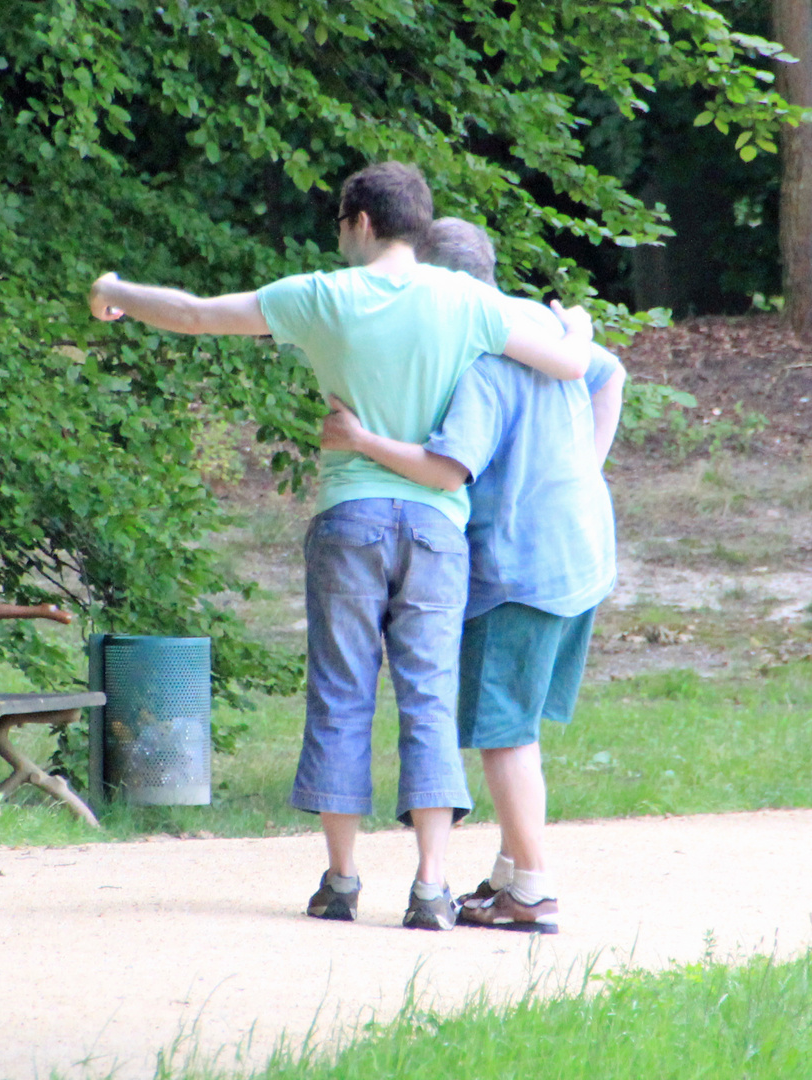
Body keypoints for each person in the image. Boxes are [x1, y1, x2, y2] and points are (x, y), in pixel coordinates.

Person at [87, 162, 594, 930]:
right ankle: (430, 887)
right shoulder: (465, 301)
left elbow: (193, 314)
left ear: (358, 222)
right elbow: (568, 365)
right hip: (435, 528)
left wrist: (114, 290)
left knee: (341, 693)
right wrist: (578, 328)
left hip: (349, 519)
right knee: (428, 699)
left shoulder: (322, 297)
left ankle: (342, 879)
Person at [320, 216, 624, 933]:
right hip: (580, 550)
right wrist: (583, 468)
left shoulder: (477, 359)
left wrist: (360, 440)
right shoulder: (538, 326)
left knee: (502, 735)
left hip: (516, 566)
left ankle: (533, 892)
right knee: (517, 723)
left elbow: (447, 467)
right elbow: (611, 375)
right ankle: (509, 874)